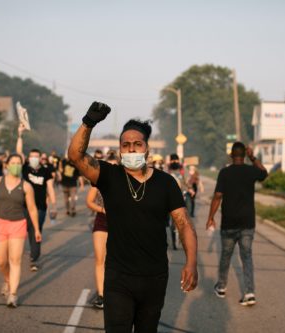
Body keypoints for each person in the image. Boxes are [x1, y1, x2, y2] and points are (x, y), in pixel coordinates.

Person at [68, 102, 198, 333]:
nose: (131, 149)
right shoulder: (109, 175)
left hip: (155, 276)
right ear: (120, 150)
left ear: (147, 149)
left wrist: (191, 262)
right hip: (119, 276)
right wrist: (88, 122)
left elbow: (184, 224)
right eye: (125, 145)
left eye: (137, 144)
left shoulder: (166, 183)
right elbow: (76, 157)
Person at [206, 142, 267, 306]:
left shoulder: (225, 173)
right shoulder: (251, 171)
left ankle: (221, 287)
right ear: (244, 155)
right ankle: (249, 292)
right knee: (247, 257)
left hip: (229, 223)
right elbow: (264, 173)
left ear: (231, 155)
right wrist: (253, 157)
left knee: (225, 255)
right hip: (247, 223)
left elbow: (218, 196)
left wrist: (210, 217)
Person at [0, 153, 42, 308]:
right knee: (1, 261)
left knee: (15, 260)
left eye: (18, 163)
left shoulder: (26, 186)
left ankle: (13, 294)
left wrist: (37, 230)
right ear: (6, 165)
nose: (16, 165)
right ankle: (7, 279)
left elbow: (32, 209)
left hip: (18, 224)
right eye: (12, 162)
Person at [16, 123, 57, 271]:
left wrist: (53, 206)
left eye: (36, 157)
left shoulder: (45, 172)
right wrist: (20, 134)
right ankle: (15, 254)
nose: (33, 158)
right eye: (31, 156)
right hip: (23, 206)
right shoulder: (25, 168)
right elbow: (18, 152)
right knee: (20, 231)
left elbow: (51, 189)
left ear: (40, 158)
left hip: (39, 207)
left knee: (35, 231)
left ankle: (34, 258)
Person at [85, 151, 118, 309]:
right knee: (100, 259)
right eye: (109, 166)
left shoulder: (125, 183)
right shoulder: (97, 182)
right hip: (102, 222)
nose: (112, 169)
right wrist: (102, 209)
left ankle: (118, 292)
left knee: (117, 259)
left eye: (114, 166)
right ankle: (101, 295)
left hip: (120, 224)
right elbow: (89, 201)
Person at [167, 153, 195, 250]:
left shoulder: (183, 170)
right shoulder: (167, 171)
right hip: (169, 196)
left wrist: (190, 189)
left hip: (182, 194)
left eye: (176, 160)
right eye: (172, 160)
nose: (174, 162)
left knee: (187, 212)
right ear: (170, 161)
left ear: (178, 161)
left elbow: (187, 181)